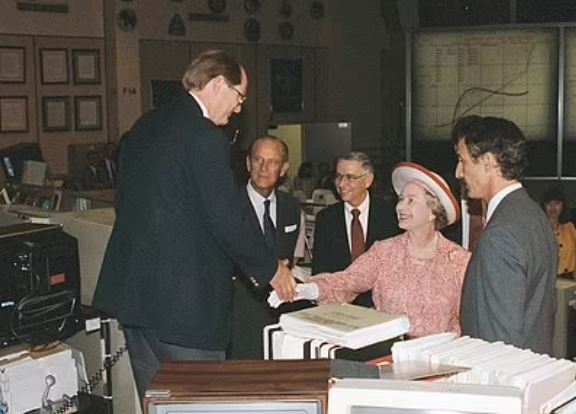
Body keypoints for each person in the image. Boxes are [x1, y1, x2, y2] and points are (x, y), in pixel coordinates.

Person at [92, 50, 295, 399]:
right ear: (217, 85)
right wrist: (271, 268)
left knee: (157, 405)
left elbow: (128, 204)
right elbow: (226, 217)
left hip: (137, 299)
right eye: (239, 97)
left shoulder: (144, 127)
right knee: (201, 405)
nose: (239, 109)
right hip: (184, 310)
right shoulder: (204, 137)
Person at [272, 162, 470, 338]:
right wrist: (309, 289)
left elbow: (470, 318)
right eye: (400, 199)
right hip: (391, 358)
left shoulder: (459, 261)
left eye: (411, 200)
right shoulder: (384, 252)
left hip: (443, 362)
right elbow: (347, 281)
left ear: (433, 211)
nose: (400, 206)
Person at [453, 115, 558, 355]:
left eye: (463, 160)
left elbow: (500, 345)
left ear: (488, 162)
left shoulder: (499, 237)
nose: (459, 172)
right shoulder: (535, 216)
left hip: (506, 380)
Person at [229, 136, 307, 359]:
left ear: (283, 168)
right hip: (239, 315)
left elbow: (290, 260)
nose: (263, 168)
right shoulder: (229, 205)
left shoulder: (291, 206)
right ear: (247, 164)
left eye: (272, 162)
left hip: (281, 315)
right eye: (258, 160)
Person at [311, 151, 400, 307]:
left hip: (380, 308)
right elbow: (320, 270)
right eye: (338, 176)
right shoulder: (326, 219)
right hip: (339, 308)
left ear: (368, 180)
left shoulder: (390, 216)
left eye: (350, 177)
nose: (341, 184)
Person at [542, 186, 576, 281]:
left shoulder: (570, 228)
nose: (553, 208)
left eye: (557, 203)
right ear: (544, 206)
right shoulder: (538, 230)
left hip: (569, 280)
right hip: (547, 281)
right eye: (549, 203)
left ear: (563, 206)